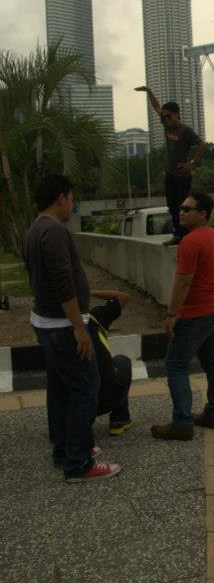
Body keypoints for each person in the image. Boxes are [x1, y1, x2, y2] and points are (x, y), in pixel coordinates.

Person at [23, 174, 121, 483]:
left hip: (46, 322)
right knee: (85, 389)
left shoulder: (34, 229)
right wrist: (79, 327)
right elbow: (62, 283)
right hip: (63, 325)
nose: (72, 205)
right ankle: (78, 463)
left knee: (60, 389)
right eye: (71, 199)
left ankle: (64, 450)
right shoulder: (53, 231)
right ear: (61, 198)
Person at [151, 190, 214, 440]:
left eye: (187, 209)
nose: (181, 212)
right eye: (181, 208)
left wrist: (172, 313)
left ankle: (182, 423)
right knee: (213, 363)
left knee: (176, 365)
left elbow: (183, 281)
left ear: (202, 214)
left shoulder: (190, 242)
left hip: (196, 314)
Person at [134, 86, 206, 245]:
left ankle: (187, 235)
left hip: (182, 176)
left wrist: (192, 163)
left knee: (183, 206)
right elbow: (156, 107)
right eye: (164, 116)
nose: (165, 119)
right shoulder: (167, 125)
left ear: (177, 114)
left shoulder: (185, 130)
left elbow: (201, 144)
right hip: (170, 173)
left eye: (168, 116)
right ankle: (178, 235)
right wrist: (149, 92)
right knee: (172, 205)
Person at [88, 289, 134, 436]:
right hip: (105, 401)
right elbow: (123, 296)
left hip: (73, 406)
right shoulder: (94, 317)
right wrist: (89, 291)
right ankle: (119, 419)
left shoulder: (56, 331)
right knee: (121, 361)